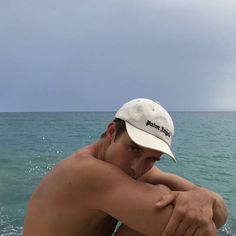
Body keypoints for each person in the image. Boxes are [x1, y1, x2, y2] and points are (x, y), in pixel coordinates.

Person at [23, 98, 228, 236]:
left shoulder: (128, 170)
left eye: (152, 159)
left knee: (166, 198)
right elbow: (204, 230)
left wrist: (202, 196)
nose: (137, 168)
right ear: (112, 132)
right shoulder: (85, 172)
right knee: (163, 199)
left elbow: (219, 215)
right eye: (134, 149)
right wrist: (193, 205)